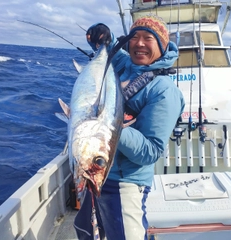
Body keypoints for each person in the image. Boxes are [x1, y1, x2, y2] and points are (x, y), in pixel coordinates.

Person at [74, 15, 185, 240]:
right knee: (89, 232)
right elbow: (108, 45)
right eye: (135, 37)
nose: (140, 43)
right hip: (96, 174)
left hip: (124, 184)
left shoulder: (164, 91)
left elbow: (151, 151)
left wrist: (111, 126)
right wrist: (100, 32)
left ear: (162, 45)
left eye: (148, 38)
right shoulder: (126, 64)